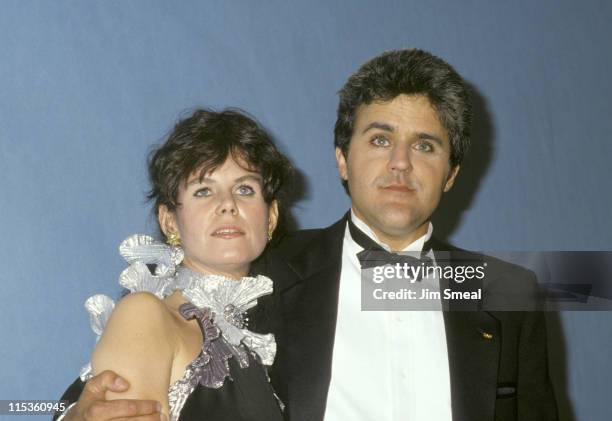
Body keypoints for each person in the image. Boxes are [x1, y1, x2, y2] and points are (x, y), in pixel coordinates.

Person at [58, 49, 558, 421]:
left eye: (425, 146)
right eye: (380, 139)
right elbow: (121, 374)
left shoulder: (505, 289)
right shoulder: (257, 271)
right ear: (343, 158)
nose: (400, 164)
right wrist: (74, 415)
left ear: (451, 173)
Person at [55, 108, 291, 421]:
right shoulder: (145, 315)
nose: (228, 205)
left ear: (271, 217)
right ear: (170, 222)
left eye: (244, 189)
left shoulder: (262, 339)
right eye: (203, 191)